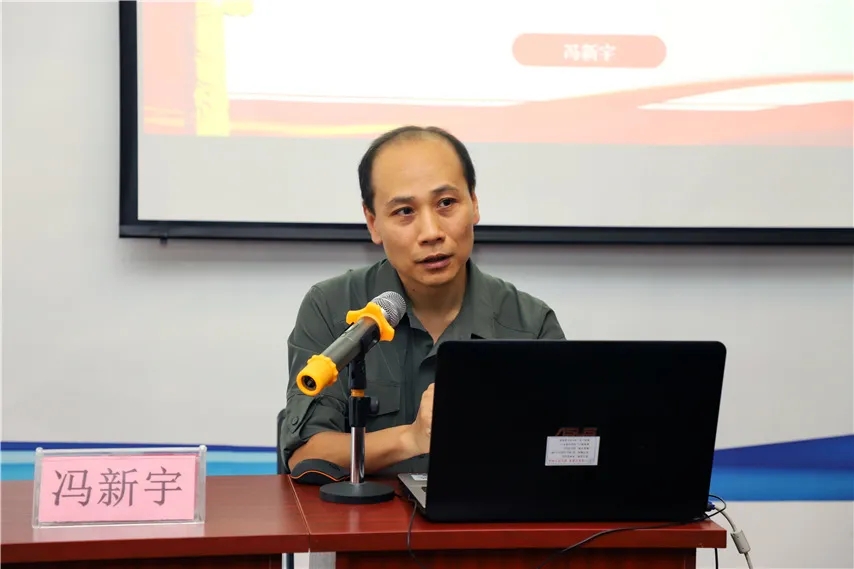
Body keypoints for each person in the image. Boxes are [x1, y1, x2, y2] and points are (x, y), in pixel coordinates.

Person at [279, 126, 565, 475]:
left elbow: (562, 453)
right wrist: (411, 439)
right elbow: (306, 453)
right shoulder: (332, 307)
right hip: (368, 511)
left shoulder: (530, 324)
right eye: (404, 211)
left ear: (474, 204)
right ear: (373, 222)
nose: (431, 233)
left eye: (446, 203)